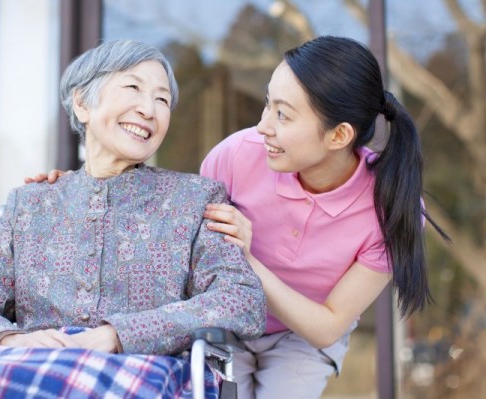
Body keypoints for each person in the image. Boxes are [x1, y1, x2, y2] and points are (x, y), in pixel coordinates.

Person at [32, 36, 448, 399]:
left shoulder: (395, 208)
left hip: (301, 339)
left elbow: (326, 327)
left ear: (338, 135)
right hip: (223, 324)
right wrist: (82, 186)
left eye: (283, 115)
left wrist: (248, 260)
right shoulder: (236, 155)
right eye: (269, 103)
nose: (263, 125)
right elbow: (166, 227)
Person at [0, 39, 266, 399]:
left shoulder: (195, 200)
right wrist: (11, 339)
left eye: (162, 100)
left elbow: (240, 300)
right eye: (133, 88)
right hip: (28, 366)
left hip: (143, 370)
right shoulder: (31, 205)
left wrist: (117, 335)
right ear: (82, 104)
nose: (149, 109)